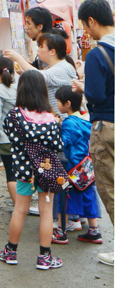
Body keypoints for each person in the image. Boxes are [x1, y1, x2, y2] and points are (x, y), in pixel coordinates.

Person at [0, 70, 65, 270]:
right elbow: (58, 145)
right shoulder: (51, 118)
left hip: (24, 172)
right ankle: (44, 257)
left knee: (20, 209)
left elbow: (9, 135)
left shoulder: (14, 116)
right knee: (46, 212)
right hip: (45, 171)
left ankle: (11, 252)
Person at [75, 0, 114, 266]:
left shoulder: (97, 55)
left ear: (91, 21)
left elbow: (96, 94)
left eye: (85, 26)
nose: (86, 32)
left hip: (107, 127)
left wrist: (83, 88)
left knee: (109, 186)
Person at [50, 87, 102, 246]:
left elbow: (64, 143)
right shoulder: (85, 120)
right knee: (88, 196)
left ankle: (61, 231)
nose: (57, 104)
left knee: (63, 198)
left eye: (58, 101)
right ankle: (94, 231)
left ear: (67, 104)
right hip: (86, 166)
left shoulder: (69, 123)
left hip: (71, 168)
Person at [5, 31, 77, 119]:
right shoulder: (57, 67)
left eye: (41, 46)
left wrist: (18, 58)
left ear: (52, 51)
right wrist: (23, 72)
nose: (38, 49)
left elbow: (39, 76)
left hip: (65, 123)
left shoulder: (62, 68)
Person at [0, 56, 20, 207]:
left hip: (6, 138)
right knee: (23, 170)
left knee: (11, 172)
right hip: (24, 136)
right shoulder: (21, 88)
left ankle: (18, 206)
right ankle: (25, 202)